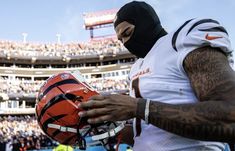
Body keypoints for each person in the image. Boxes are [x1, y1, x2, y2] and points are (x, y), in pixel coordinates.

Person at [78, 1, 235, 151]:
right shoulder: (136, 68)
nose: (125, 42)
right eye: (121, 39)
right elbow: (149, 135)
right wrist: (108, 129)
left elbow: (230, 116)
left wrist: (137, 107)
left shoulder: (180, 40)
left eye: (127, 33)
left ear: (146, 21)